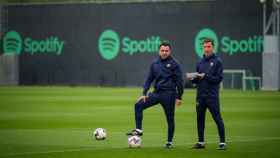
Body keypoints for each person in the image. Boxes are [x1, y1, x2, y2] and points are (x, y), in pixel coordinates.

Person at [126, 41, 184, 149]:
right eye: (162, 50)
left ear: (170, 51)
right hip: (156, 93)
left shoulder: (175, 64)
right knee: (138, 105)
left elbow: (179, 82)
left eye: (166, 51)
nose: (164, 52)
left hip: (169, 95)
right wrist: (144, 93)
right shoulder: (155, 63)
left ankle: (169, 142)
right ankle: (139, 130)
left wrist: (179, 96)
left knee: (170, 119)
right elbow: (149, 79)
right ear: (159, 51)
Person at [187, 38, 226, 150]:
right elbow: (198, 80)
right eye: (205, 47)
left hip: (212, 96)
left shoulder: (218, 61)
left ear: (213, 47)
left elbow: (218, 79)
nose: (206, 49)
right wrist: (192, 78)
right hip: (200, 96)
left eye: (208, 47)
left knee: (217, 118)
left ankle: (222, 143)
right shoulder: (200, 62)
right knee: (200, 119)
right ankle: (201, 142)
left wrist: (205, 76)